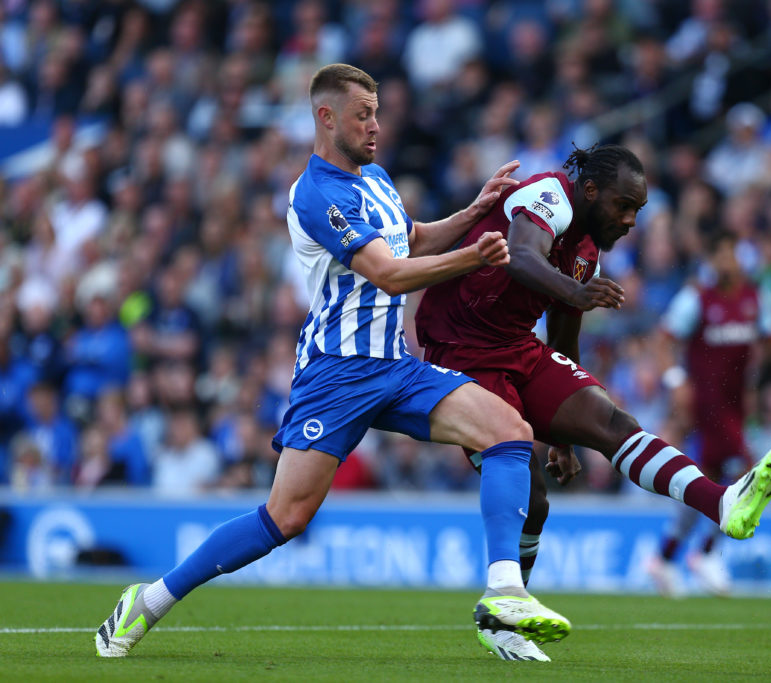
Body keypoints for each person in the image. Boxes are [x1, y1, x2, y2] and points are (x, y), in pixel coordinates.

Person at [96, 63, 570, 657]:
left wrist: (475, 211)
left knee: (509, 430)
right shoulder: (316, 192)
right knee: (284, 519)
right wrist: (477, 258)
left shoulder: (374, 178)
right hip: (336, 374)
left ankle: (502, 598)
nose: (375, 125)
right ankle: (150, 601)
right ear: (327, 118)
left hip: (394, 367)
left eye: (376, 113)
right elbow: (390, 274)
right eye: (362, 114)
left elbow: (409, 240)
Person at [415, 144, 771, 660]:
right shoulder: (548, 193)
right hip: (462, 353)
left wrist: (565, 435)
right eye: (623, 205)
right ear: (590, 191)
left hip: (519, 345)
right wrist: (574, 290)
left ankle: (720, 502)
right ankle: (502, 616)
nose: (631, 219)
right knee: (534, 500)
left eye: (638, 209)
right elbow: (521, 256)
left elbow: (565, 336)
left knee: (611, 422)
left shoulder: (588, 249)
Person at [647, 230, 771, 598]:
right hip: (707, 402)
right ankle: (707, 552)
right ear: (711, 261)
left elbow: (767, 342)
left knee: (709, 481)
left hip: (735, 405)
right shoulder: (696, 299)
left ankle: (664, 557)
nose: (726, 262)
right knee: (747, 470)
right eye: (719, 256)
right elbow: (662, 340)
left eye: (731, 255)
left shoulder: (754, 298)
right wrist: (676, 382)